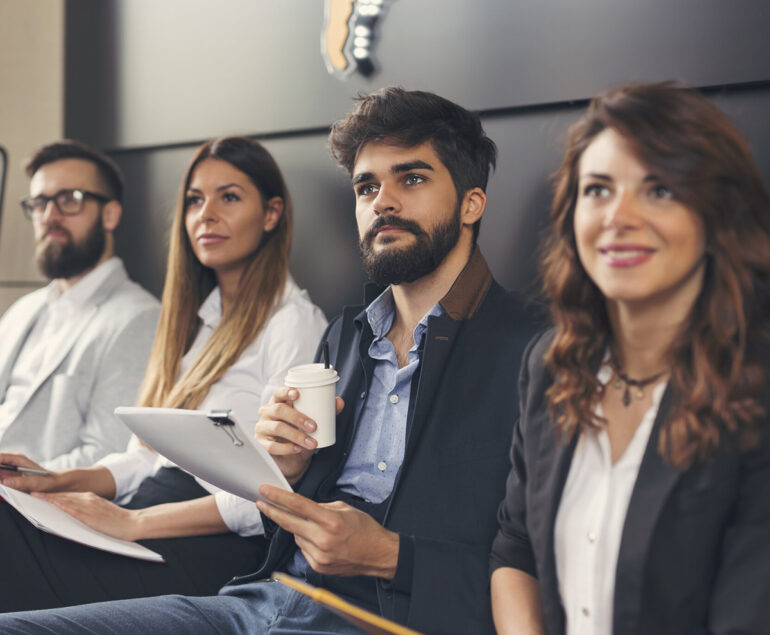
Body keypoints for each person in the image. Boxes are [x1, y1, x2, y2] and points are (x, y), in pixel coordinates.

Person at [0, 88, 542, 634]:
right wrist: (287, 471)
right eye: (367, 187)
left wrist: (391, 556)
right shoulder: (344, 338)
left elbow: (540, 572)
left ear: (472, 203)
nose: (383, 202)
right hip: (268, 598)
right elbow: (282, 513)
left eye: (413, 179)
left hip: (381, 618)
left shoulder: (532, 349)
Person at [490, 83, 770, 635]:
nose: (619, 216)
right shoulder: (550, 366)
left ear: (717, 216)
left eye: (659, 190)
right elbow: (515, 549)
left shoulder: (756, 388)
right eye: (598, 189)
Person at [0, 136, 327, 610]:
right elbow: (144, 460)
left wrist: (134, 523)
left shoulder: (293, 323)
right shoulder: (198, 326)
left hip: (211, 545)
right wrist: (59, 479)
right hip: (147, 514)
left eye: (228, 197)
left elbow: (275, 494)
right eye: (194, 200)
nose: (205, 215)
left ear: (272, 214)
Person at [0, 140, 159, 469]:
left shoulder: (141, 319)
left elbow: (107, 455)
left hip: (33, 496)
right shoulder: (22, 311)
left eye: (69, 200)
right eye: (39, 203)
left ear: (110, 214)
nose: (49, 216)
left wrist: (11, 479)